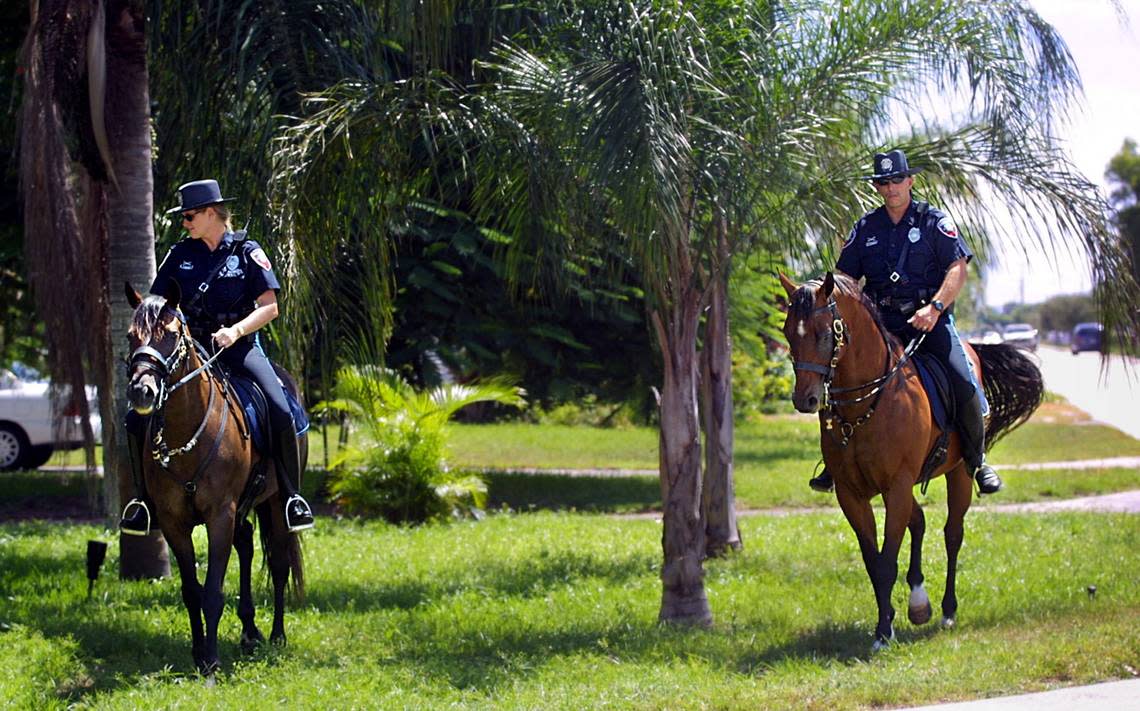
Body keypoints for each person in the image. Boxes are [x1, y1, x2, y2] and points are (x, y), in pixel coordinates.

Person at [120, 179, 315, 534]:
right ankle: (143, 502)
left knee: (281, 408)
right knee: (136, 418)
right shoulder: (180, 255)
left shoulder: (246, 252)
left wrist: (236, 331)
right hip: (189, 352)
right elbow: (157, 306)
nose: (185, 223)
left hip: (238, 347)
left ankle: (291, 499)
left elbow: (269, 307)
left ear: (211, 213)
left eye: (189, 216)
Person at [808, 149, 1003, 496]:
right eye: (883, 182)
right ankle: (834, 462)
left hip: (929, 322)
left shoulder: (933, 222)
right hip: (882, 325)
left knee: (963, 378)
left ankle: (978, 460)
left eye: (897, 179)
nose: (891, 187)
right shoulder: (865, 228)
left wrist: (936, 307)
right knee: (836, 376)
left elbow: (957, 268)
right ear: (878, 188)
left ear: (910, 181)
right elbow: (843, 280)